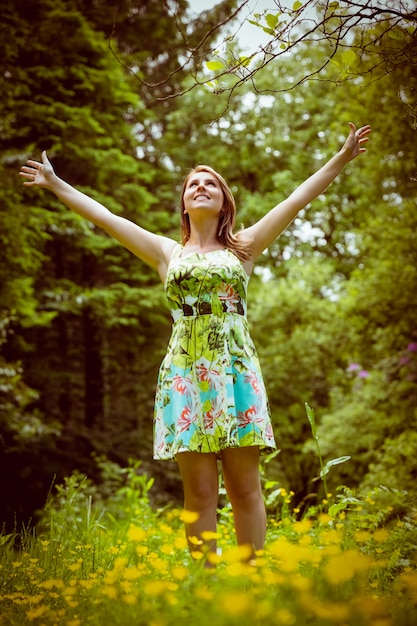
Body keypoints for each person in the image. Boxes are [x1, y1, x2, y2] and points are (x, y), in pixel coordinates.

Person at [20, 122, 371, 564]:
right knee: (200, 491)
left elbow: (296, 199)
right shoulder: (167, 253)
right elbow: (106, 217)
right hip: (186, 374)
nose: (201, 187)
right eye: (193, 185)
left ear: (224, 202)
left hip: (236, 372)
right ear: (185, 204)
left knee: (245, 487)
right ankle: (206, 586)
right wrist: (55, 183)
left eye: (211, 184)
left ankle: (250, 579)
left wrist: (340, 158)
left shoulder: (243, 247)